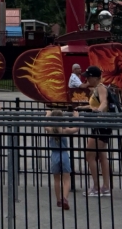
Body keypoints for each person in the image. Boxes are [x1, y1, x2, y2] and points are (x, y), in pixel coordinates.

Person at [83, 65, 113, 197]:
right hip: (103, 126)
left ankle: (96, 187)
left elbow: (104, 103)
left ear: (95, 78)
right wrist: (83, 107)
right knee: (101, 156)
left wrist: (98, 113)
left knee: (89, 155)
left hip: (100, 126)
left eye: (88, 77)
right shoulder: (98, 88)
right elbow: (95, 104)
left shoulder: (100, 88)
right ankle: (105, 187)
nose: (87, 79)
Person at [47, 109, 79, 210]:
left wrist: (47, 115)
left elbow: (43, 124)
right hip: (64, 154)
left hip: (54, 155)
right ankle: (65, 198)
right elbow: (76, 129)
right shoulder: (65, 130)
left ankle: (58, 200)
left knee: (56, 179)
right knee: (66, 179)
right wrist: (76, 117)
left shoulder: (50, 129)